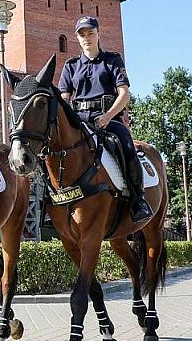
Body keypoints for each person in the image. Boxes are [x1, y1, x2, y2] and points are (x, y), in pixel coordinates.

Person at [58, 16, 152, 223]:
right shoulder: (71, 66)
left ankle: (138, 200)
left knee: (127, 147)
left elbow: (124, 94)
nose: (86, 38)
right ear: (77, 38)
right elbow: (64, 98)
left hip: (109, 120)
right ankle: (54, 201)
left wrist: (108, 116)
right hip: (80, 122)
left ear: (98, 34)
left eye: (90, 33)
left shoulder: (112, 60)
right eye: (82, 35)